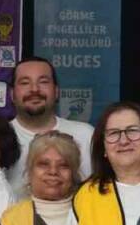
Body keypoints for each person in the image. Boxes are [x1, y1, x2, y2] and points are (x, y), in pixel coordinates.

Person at [6, 57, 93, 196]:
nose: (34, 89)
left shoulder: (86, 134)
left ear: (56, 91)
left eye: (43, 82)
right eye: (25, 83)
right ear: (12, 94)